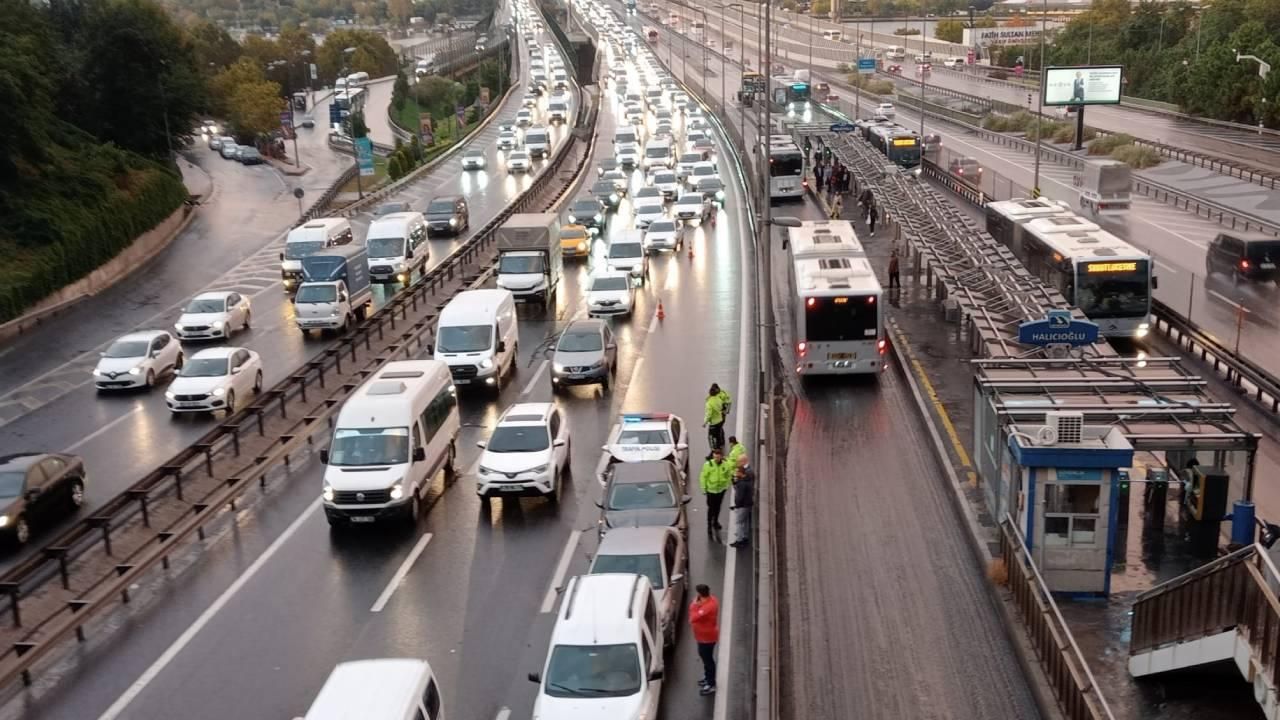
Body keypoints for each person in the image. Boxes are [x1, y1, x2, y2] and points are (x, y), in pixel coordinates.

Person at [689, 584, 720, 695]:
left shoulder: (708, 607)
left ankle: (711, 684)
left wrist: (694, 605)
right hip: (702, 637)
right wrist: (697, 604)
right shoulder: (711, 600)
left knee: (708, 660)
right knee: (704, 657)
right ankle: (707, 677)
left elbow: (693, 617)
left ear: (700, 594)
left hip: (706, 638)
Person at [699, 448, 733, 532]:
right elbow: (703, 477)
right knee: (711, 508)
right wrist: (704, 489)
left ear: (721, 456)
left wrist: (726, 486)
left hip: (721, 490)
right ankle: (709, 525)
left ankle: (715, 522)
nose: (716, 459)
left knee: (718, 507)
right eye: (715, 457)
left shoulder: (725, 465)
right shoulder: (708, 465)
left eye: (718, 457)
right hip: (711, 491)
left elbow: (729, 475)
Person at [730, 456, 756, 547]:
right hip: (747, 503)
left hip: (743, 504)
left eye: (737, 472)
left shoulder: (743, 482)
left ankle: (739, 540)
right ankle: (744, 536)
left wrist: (737, 505)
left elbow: (739, 495)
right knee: (744, 521)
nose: (736, 473)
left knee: (739, 522)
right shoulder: (746, 478)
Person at [703, 384, 728, 450]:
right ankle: (720, 445)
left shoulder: (709, 402)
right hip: (720, 419)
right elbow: (725, 404)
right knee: (718, 433)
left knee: (711, 437)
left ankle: (714, 450)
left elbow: (709, 414)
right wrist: (725, 411)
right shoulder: (719, 399)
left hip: (713, 422)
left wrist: (705, 422)